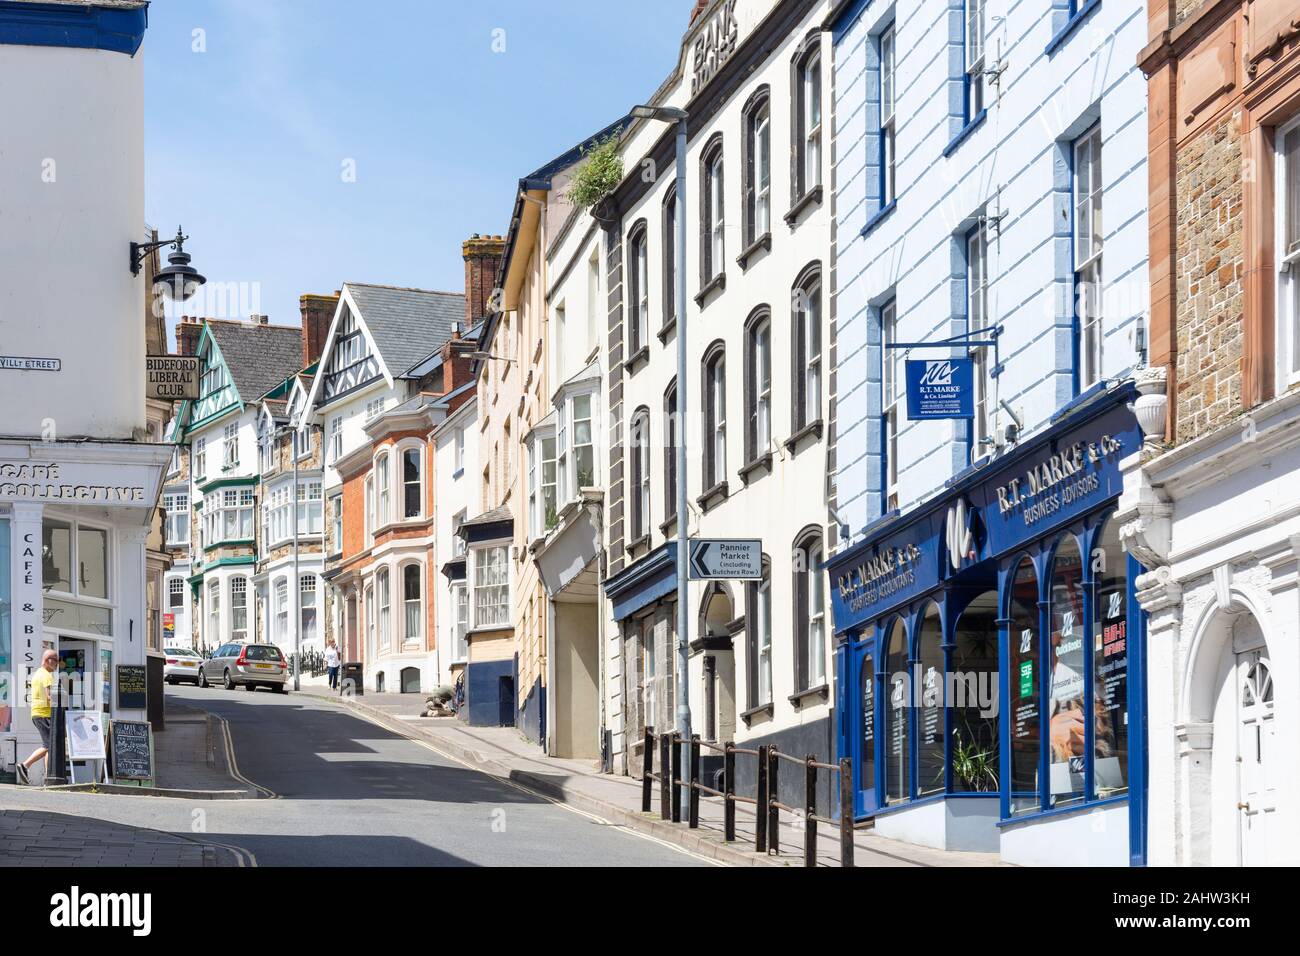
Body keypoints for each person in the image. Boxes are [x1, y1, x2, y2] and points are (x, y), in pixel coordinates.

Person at [16, 649, 58, 785]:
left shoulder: (37, 674)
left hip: (37, 713)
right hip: (44, 714)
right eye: (55, 660)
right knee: (48, 745)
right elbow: (50, 696)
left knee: (49, 746)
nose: (57, 663)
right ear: (47, 660)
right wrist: (56, 714)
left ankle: (48, 777)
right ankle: (25, 765)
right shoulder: (47, 675)